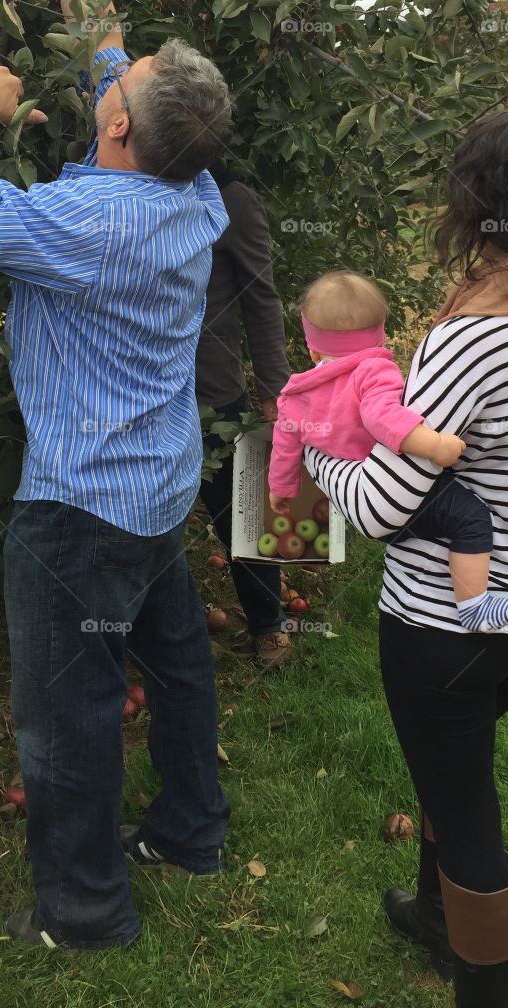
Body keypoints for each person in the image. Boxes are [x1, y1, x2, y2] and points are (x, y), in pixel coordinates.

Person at [0, 0, 234, 951]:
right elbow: (101, 27)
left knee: (68, 711)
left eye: (119, 87)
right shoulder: (191, 188)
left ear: (122, 127)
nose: (113, 72)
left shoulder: (82, 225)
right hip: (157, 486)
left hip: (79, 513)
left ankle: (85, 910)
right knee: (176, 664)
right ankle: (192, 827)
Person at [303, 111, 508, 1007]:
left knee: (463, 801)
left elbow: (378, 506)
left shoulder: (465, 340)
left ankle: (486, 988)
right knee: (454, 769)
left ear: (473, 208)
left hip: (446, 630)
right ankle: (434, 916)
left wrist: (309, 455)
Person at [268, 269, 508, 632]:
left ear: (313, 347)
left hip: (356, 502)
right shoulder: (373, 370)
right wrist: (437, 446)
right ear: (380, 335)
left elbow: (285, 448)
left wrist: (281, 491)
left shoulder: (295, 393)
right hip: (389, 491)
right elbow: (382, 418)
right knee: (470, 518)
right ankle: (474, 606)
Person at [195, 166, 293, 666]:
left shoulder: (229, 195)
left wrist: (276, 391)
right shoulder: (129, 188)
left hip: (214, 396)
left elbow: (261, 297)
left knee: (244, 518)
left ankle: (267, 624)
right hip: (143, 399)